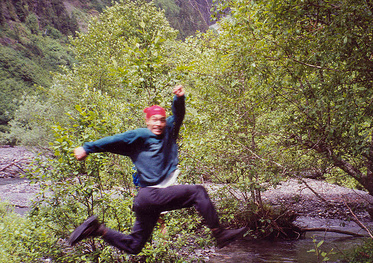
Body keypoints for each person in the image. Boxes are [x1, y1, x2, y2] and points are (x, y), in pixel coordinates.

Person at [68, 85, 247, 254]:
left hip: (147, 201)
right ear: (147, 121)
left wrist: (179, 98)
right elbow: (113, 140)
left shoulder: (168, 132)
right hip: (151, 195)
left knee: (135, 246)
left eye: (162, 120)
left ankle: (97, 229)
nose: (159, 124)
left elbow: (178, 116)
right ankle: (220, 234)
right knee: (198, 192)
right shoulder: (139, 135)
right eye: (154, 120)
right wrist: (87, 148)